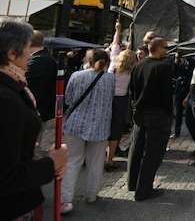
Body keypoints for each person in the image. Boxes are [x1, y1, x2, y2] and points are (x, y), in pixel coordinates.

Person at [0, 20, 68, 220]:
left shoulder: (14, 87)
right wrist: (51, 163)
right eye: (29, 49)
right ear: (12, 53)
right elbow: (5, 176)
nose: (31, 55)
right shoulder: (5, 98)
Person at [61, 49, 116, 214]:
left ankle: (65, 201)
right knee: (96, 161)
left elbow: (69, 99)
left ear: (88, 60)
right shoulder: (111, 79)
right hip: (100, 126)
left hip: (75, 124)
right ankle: (92, 195)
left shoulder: (76, 76)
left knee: (72, 161)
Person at [128, 37, 173, 201]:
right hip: (157, 115)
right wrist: (169, 113)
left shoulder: (138, 65)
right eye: (165, 47)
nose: (167, 51)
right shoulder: (163, 67)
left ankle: (133, 183)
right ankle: (144, 190)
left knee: (137, 148)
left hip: (140, 112)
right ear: (158, 48)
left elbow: (132, 90)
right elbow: (166, 95)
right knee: (152, 153)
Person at [105, 48, 137, 171]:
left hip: (108, 99)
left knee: (105, 127)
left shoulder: (113, 67)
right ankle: (110, 159)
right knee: (115, 130)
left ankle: (101, 156)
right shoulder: (131, 72)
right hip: (121, 101)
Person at [25, 31, 57, 123]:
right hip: (39, 109)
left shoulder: (39, 60)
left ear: (28, 42)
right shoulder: (44, 57)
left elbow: (22, 80)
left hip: (36, 110)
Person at [171, 50, 192, 139]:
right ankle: (177, 132)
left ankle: (193, 131)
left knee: (189, 114)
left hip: (188, 90)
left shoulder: (190, 61)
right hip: (178, 91)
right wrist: (176, 61)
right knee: (178, 113)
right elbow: (172, 72)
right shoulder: (173, 62)